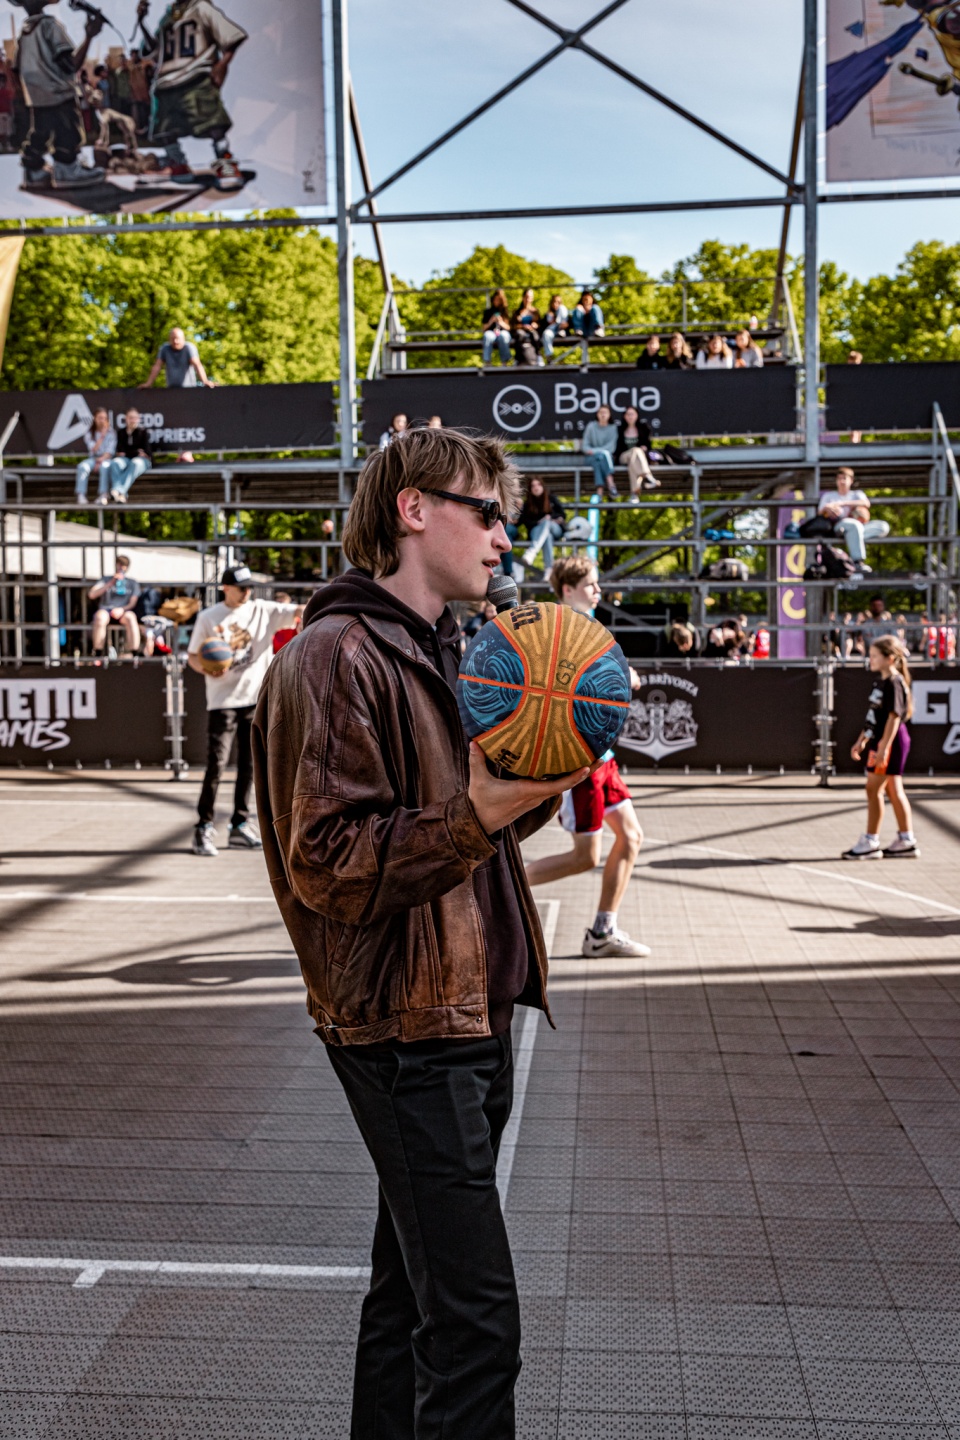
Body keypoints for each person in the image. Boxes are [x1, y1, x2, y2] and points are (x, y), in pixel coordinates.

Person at [253, 427, 583, 1438]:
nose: (503, 537)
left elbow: (470, 831)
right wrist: (479, 813)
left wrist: (538, 777)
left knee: (411, 1299)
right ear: (413, 510)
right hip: (408, 1030)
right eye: (487, 513)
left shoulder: (450, 649)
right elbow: (329, 863)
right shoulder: (334, 655)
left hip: (470, 1012)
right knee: (477, 1329)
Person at [527, 555, 649, 960]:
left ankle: (602, 931)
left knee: (631, 837)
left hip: (601, 754)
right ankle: (495, 888)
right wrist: (621, 678)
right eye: (591, 584)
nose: (599, 590)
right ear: (568, 590)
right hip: (578, 757)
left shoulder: (590, 627)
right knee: (585, 857)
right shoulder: (561, 630)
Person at [188, 563, 302, 857]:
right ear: (226, 588)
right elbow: (192, 656)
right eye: (241, 587)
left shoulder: (263, 610)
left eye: (249, 587)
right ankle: (203, 826)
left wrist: (308, 615)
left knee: (250, 767)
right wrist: (205, 668)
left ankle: (239, 824)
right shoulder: (208, 617)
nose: (247, 592)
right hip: (223, 702)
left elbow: (299, 610)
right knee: (216, 765)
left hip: (255, 700)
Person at [134, 0, 248, 191]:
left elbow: (231, 37)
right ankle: (177, 163)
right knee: (165, 129)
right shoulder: (168, 17)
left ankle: (225, 161)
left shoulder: (201, 7)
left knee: (213, 123)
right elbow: (154, 50)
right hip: (166, 81)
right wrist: (141, 22)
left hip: (195, 75)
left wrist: (222, 65)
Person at [11, 0, 105, 191]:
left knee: (39, 133)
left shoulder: (25, 32)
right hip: (59, 94)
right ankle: (66, 170)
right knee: (67, 132)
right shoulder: (49, 25)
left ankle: (33, 171)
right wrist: (89, 37)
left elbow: (16, 68)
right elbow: (71, 65)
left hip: (37, 97)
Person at [844, 636, 918, 860]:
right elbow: (873, 716)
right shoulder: (881, 682)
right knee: (893, 789)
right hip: (882, 740)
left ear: (890, 658)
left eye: (875, 656)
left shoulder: (894, 682)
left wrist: (884, 747)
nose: (871, 659)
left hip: (891, 741)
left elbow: (894, 717)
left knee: (873, 789)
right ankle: (906, 840)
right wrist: (862, 740)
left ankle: (870, 841)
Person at [817, 467, 889, 575]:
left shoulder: (857, 494)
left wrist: (843, 504)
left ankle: (852, 538)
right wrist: (828, 509)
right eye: (839, 478)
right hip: (839, 526)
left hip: (858, 527)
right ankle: (857, 562)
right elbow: (820, 511)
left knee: (883, 526)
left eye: (844, 478)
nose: (842, 481)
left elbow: (866, 503)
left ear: (851, 480)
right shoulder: (829, 496)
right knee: (854, 525)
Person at [503, 475, 566, 576]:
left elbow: (562, 514)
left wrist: (550, 518)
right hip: (537, 531)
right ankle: (549, 569)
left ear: (542, 486)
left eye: (538, 484)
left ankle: (532, 552)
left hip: (554, 528)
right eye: (533, 486)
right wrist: (539, 522)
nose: (536, 487)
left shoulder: (551, 498)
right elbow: (524, 521)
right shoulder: (528, 504)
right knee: (547, 535)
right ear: (530, 488)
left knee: (547, 523)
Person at [88, 555, 141, 658]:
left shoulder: (132, 583)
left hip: (123, 611)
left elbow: (132, 603)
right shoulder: (106, 579)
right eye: (119, 564)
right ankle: (97, 652)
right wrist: (111, 583)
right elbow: (92, 594)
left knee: (131, 617)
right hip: (106, 610)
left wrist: (121, 609)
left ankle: (135, 653)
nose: (121, 567)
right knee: (100, 617)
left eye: (124, 565)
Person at [140, 326, 216, 390]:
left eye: (177, 338)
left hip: (189, 390)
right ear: (169, 339)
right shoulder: (165, 349)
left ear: (183, 338)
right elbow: (157, 366)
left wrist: (205, 381)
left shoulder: (189, 348)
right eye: (173, 338)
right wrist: (148, 383)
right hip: (171, 390)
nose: (175, 341)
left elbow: (197, 365)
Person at [104, 407, 153, 502]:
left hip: (141, 461)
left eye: (135, 418)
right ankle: (122, 495)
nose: (133, 420)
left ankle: (117, 490)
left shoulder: (143, 432)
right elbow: (120, 451)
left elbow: (147, 452)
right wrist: (136, 452)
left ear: (138, 419)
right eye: (130, 418)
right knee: (115, 463)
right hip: (126, 460)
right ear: (126, 418)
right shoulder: (121, 433)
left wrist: (129, 452)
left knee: (135, 463)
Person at [616, 404, 659, 498]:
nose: (630, 416)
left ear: (637, 415)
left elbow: (648, 445)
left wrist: (645, 448)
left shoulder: (644, 428)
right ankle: (648, 477)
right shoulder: (619, 429)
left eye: (632, 414)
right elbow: (617, 448)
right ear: (624, 416)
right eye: (628, 414)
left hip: (637, 459)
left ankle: (634, 494)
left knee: (633, 460)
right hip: (623, 457)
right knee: (635, 451)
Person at [75, 407, 116, 503]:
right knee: (82, 467)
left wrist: (101, 460)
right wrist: (102, 436)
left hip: (106, 459)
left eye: (104, 418)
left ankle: (103, 495)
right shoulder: (89, 432)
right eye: (100, 418)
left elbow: (110, 451)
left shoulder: (111, 433)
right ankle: (81, 495)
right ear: (95, 418)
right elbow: (93, 449)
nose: (102, 420)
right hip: (93, 459)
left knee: (105, 467)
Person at [581, 403, 619, 499]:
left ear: (609, 414)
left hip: (604, 458)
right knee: (601, 456)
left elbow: (611, 448)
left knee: (599, 460)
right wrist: (599, 452)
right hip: (591, 458)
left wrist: (595, 451)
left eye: (605, 412)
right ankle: (611, 484)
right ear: (597, 414)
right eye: (601, 412)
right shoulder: (591, 427)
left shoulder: (613, 428)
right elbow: (585, 447)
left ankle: (599, 491)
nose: (603, 415)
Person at [481, 288, 512, 365]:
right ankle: (487, 362)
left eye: (499, 300)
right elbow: (484, 328)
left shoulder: (505, 311)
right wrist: (491, 321)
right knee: (487, 336)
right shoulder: (488, 312)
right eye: (495, 299)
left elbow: (509, 328)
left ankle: (504, 362)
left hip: (502, 332)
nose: (497, 302)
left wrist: (501, 322)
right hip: (491, 332)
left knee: (503, 336)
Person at [511, 286, 541, 365]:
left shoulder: (535, 311)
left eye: (530, 297)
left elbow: (540, 324)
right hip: (520, 331)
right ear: (523, 298)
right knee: (520, 334)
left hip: (532, 332)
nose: (528, 299)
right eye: (526, 297)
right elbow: (513, 326)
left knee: (535, 335)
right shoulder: (517, 312)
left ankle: (538, 356)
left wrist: (535, 325)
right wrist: (522, 326)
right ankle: (517, 358)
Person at [541, 293, 569, 361]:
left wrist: (565, 325)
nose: (556, 304)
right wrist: (550, 320)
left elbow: (569, 324)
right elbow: (542, 327)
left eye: (558, 302)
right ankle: (549, 355)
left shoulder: (562, 310)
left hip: (562, 330)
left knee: (562, 308)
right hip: (552, 331)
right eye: (554, 302)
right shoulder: (547, 315)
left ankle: (560, 329)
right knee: (546, 333)